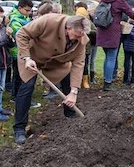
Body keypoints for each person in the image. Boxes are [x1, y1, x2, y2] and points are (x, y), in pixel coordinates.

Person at [13, 14, 90, 144]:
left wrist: (74, 92)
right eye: (77, 35)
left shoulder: (81, 39)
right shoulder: (48, 21)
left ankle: (70, 117)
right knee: (27, 87)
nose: (79, 38)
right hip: (32, 57)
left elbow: (78, 64)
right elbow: (21, 34)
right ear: (68, 28)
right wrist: (26, 58)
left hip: (57, 63)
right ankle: (19, 128)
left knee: (68, 81)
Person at [96, 0, 134, 91]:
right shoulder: (119, 0)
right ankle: (107, 83)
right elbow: (131, 14)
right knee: (111, 58)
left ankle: (106, 79)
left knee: (107, 57)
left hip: (102, 31)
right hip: (112, 32)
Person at [7, 0, 33, 101]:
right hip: (16, 51)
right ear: (20, 8)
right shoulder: (15, 19)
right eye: (27, 10)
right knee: (18, 74)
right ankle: (15, 95)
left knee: (22, 74)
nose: (29, 12)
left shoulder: (25, 17)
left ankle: (19, 95)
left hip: (25, 50)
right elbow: (19, 34)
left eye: (30, 10)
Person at [76, 6, 96, 88]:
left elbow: (95, 32)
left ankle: (85, 80)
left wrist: (88, 32)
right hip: (76, 48)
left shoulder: (89, 23)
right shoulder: (74, 23)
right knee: (76, 65)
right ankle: (77, 81)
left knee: (85, 64)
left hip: (86, 48)